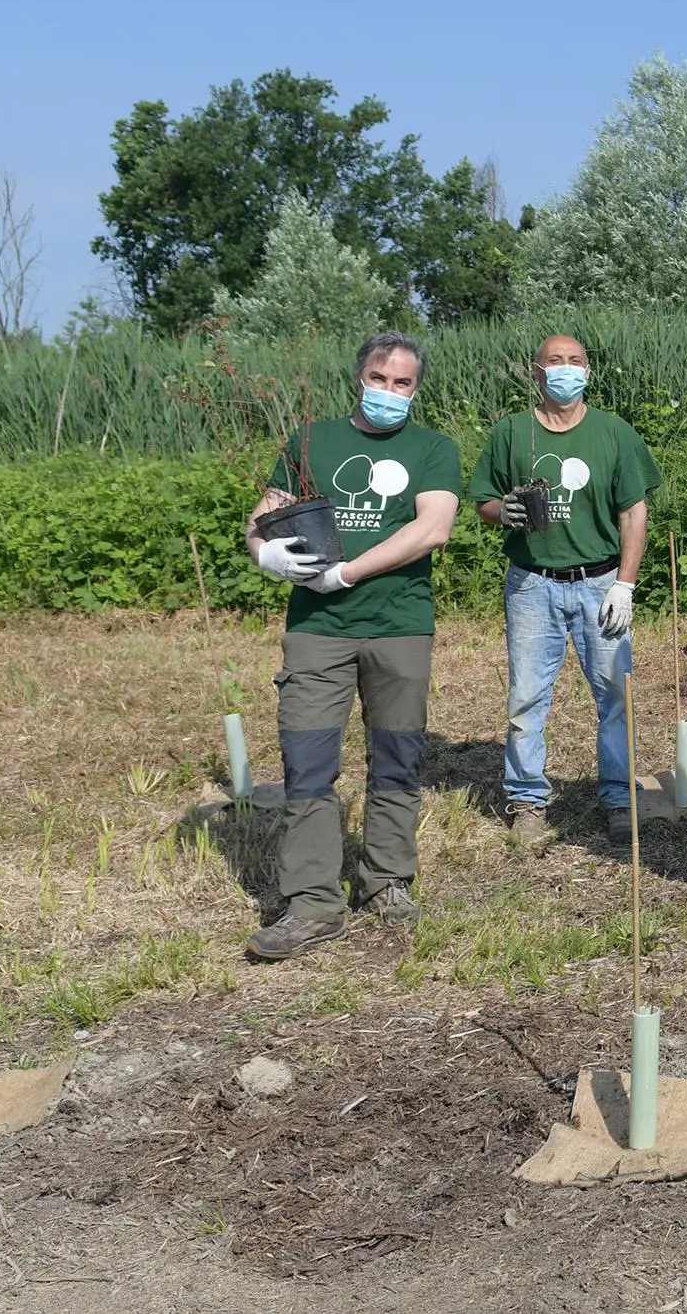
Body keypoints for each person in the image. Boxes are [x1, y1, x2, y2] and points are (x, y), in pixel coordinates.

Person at [242, 331, 462, 960]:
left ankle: (387, 880)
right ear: (358, 377)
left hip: (399, 624)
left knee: (396, 754)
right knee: (307, 761)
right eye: (378, 377)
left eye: (403, 383)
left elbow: (433, 527)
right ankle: (312, 901)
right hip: (317, 631)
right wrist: (267, 555)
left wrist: (347, 572)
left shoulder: (433, 448)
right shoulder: (311, 442)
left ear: (416, 388)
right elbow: (262, 516)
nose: (389, 391)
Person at [468, 335, 663, 849]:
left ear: (589, 371)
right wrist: (501, 510)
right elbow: (483, 499)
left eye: (574, 362)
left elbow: (633, 511)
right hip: (532, 585)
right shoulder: (512, 432)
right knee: (526, 697)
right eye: (554, 362)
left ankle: (619, 799)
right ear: (536, 372)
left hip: (599, 583)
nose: (565, 370)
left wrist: (625, 583)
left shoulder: (613, 433)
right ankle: (527, 800)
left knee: (614, 697)